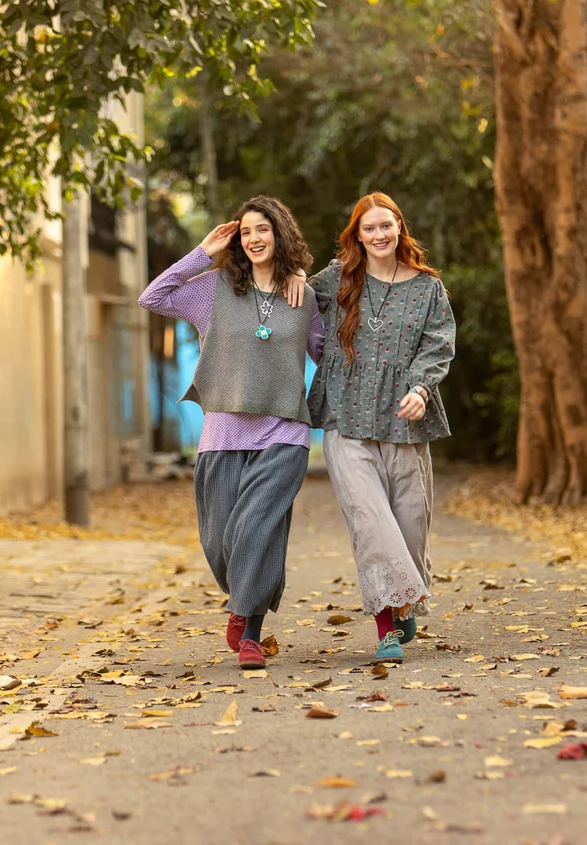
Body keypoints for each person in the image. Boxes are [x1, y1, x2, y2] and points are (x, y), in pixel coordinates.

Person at [138, 196, 324, 670]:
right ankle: (242, 602)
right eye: (246, 232)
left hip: (284, 432)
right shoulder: (215, 289)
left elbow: (328, 353)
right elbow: (153, 297)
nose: (255, 238)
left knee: (256, 529)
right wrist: (202, 252)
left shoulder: (303, 295)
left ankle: (250, 632)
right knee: (221, 543)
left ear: (281, 234)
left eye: (264, 229)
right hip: (222, 433)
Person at [304, 192, 456, 664]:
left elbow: (438, 343)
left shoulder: (429, 287)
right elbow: (293, 301)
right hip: (344, 418)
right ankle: (385, 627)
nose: (378, 235)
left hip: (404, 421)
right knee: (371, 525)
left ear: (399, 227)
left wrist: (420, 388)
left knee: (410, 528)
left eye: (385, 226)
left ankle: (407, 596)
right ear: (357, 235)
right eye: (368, 228)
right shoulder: (335, 279)